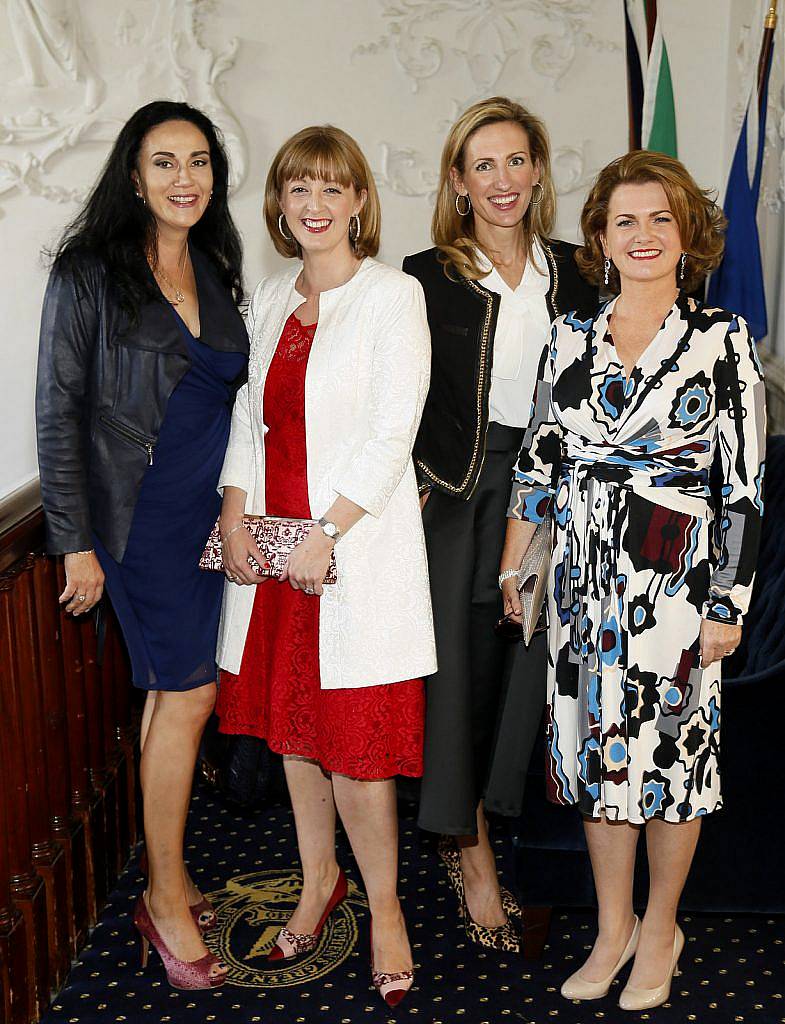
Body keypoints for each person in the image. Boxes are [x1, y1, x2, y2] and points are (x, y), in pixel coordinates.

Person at [501, 150, 766, 1010]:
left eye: (661, 218)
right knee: (592, 761)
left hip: (677, 594)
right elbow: (537, 468)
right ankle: (610, 927)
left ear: (686, 234)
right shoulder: (567, 336)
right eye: (625, 221)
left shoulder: (722, 339)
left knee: (669, 766)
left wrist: (725, 605)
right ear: (599, 239)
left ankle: (660, 928)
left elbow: (743, 489)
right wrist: (516, 567)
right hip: (581, 589)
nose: (643, 234)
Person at [215, 124, 435, 1007]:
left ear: (357, 202)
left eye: (330, 188)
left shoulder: (392, 297)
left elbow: (393, 429)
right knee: (294, 740)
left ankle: (383, 907)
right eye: (297, 188)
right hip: (274, 561)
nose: (313, 204)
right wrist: (234, 514)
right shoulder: (270, 298)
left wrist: (328, 531)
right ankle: (317, 884)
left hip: (351, 558)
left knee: (356, 751)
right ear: (280, 203)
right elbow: (247, 421)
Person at [35, 100, 249, 990]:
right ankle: (162, 898)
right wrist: (73, 543)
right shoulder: (90, 272)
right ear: (133, 175)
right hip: (140, 519)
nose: (184, 178)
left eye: (198, 161)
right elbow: (60, 410)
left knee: (174, 699)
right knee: (188, 697)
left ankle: (170, 873)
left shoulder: (213, 263)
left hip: (209, 517)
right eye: (165, 163)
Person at [402, 96, 597, 950]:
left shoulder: (578, 270)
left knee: (529, 672)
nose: (502, 180)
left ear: (539, 171)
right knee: (459, 674)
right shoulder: (423, 274)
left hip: (557, 492)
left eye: (515, 161)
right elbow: (395, 395)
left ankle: (508, 824)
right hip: (458, 489)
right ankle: (465, 846)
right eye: (482, 165)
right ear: (457, 180)